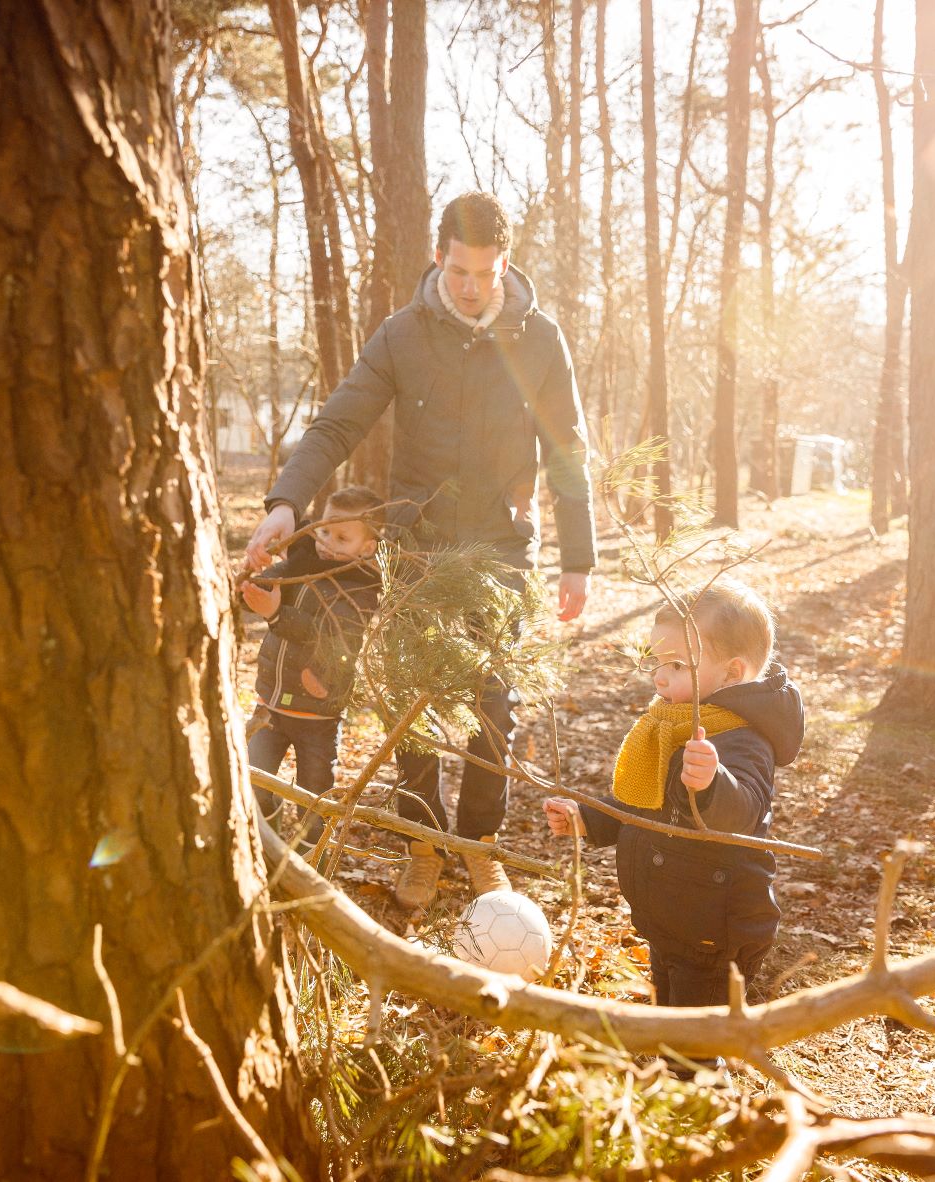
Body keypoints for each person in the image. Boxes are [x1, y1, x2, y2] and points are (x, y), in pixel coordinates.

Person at [245, 191, 596, 910]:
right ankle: (422, 846)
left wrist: (577, 558)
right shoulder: (403, 334)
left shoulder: (538, 338)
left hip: (499, 546)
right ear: (438, 256)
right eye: (460, 271)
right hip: (415, 546)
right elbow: (337, 424)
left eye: (486, 273)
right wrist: (286, 502)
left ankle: (478, 847)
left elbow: (566, 449)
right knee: (414, 703)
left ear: (505, 264)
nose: (472, 288)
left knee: (493, 706)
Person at [543, 583, 804, 1008]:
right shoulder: (674, 722)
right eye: (657, 662)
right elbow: (644, 801)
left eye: (678, 665)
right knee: (668, 1011)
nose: (659, 676)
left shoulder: (744, 739)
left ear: (732, 673)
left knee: (695, 1040)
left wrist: (712, 784)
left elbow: (743, 811)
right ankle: (672, 1064)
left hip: (716, 929)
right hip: (671, 915)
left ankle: (698, 1072)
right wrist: (587, 818)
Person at [241, 486, 384, 848]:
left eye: (341, 537)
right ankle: (265, 845)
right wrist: (249, 586)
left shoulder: (359, 590)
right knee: (253, 780)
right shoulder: (302, 561)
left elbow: (329, 636)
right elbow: (268, 589)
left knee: (314, 801)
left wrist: (275, 614)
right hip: (271, 705)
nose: (326, 542)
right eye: (323, 531)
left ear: (366, 548)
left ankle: (310, 864)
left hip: (317, 718)